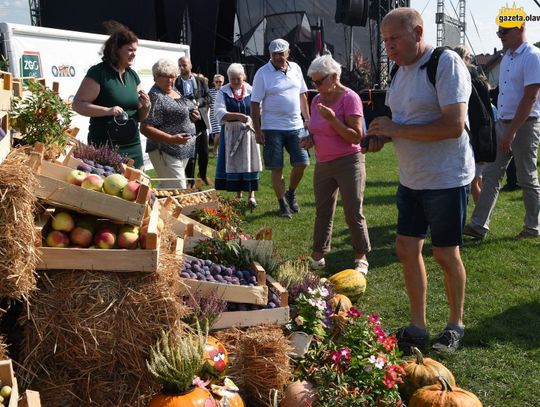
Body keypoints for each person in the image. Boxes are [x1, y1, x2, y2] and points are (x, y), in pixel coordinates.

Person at [364, 8, 474, 353]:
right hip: (412, 178)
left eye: (394, 39)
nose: (389, 48)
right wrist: (385, 136)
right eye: (385, 41)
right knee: (406, 249)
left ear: (418, 32)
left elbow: (452, 125)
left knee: (445, 254)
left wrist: (397, 129)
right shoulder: (399, 70)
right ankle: (418, 326)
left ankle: (455, 325)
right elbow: (406, 121)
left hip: (446, 176)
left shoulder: (445, 63)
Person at [464, 23, 540, 240]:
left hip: (525, 125)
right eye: (498, 31)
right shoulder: (507, 57)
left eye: (504, 31)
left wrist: (510, 132)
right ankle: (478, 226)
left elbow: (530, 98)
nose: (499, 35)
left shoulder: (533, 56)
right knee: (490, 175)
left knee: (527, 177)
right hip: (504, 124)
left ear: (520, 28)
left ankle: (532, 228)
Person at [301, 54, 371, 274]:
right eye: (313, 81)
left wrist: (333, 120)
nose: (315, 85)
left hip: (349, 161)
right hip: (323, 163)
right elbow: (317, 129)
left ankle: (361, 256)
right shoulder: (316, 100)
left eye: (319, 81)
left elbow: (356, 137)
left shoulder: (350, 98)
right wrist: (310, 140)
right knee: (323, 211)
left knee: (353, 211)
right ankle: (318, 255)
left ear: (334, 77)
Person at [73, 21, 151, 169]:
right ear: (116, 50)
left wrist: (146, 107)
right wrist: (107, 111)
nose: (134, 54)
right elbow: (77, 104)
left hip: (133, 143)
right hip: (106, 146)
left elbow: (140, 115)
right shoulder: (99, 72)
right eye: (130, 50)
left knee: (137, 185)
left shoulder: (133, 75)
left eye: (135, 50)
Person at [251, 38, 311, 218]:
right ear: (270, 55)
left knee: (302, 163)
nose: (278, 57)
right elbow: (255, 104)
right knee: (276, 167)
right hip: (272, 128)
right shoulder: (262, 73)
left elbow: (303, 95)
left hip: (296, 125)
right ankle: (282, 204)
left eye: (281, 53)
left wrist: (307, 119)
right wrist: (258, 130)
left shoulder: (296, 69)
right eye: (274, 54)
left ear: (288, 52)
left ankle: (290, 193)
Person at [140, 58, 199, 189]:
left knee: (167, 187)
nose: (169, 80)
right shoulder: (155, 96)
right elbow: (145, 128)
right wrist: (172, 139)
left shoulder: (174, 91)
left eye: (172, 76)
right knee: (178, 187)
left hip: (182, 149)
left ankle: (150, 205)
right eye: (165, 76)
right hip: (165, 149)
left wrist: (192, 116)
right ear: (155, 77)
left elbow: (179, 111)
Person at [214, 63, 261, 207]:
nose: (235, 82)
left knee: (249, 161)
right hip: (231, 133)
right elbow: (219, 112)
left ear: (244, 77)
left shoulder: (251, 90)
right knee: (235, 162)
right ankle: (238, 194)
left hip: (249, 133)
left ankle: (251, 195)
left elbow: (259, 108)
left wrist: (253, 122)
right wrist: (240, 116)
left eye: (238, 79)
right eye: (232, 79)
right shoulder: (223, 91)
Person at [454, 45, 485, 204]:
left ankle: (481, 219)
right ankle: (481, 217)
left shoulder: (465, 78)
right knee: (476, 179)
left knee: (473, 181)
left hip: (472, 134)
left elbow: (477, 113)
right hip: (477, 133)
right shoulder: (474, 77)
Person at [175, 56, 212, 185]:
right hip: (185, 121)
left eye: (184, 65)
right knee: (189, 153)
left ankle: (202, 174)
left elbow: (208, 97)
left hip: (200, 121)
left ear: (190, 65)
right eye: (179, 65)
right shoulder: (175, 83)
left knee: (204, 152)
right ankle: (190, 180)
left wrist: (198, 103)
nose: (181, 68)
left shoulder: (200, 81)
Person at [209, 74, 225, 157]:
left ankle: (221, 149)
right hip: (214, 115)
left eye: (220, 82)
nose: (218, 83)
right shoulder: (210, 92)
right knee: (218, 133)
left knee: (223, 133)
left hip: (224, 114)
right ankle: (215, 148)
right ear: (214, 82)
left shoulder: (226, 91)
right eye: (217, 82)